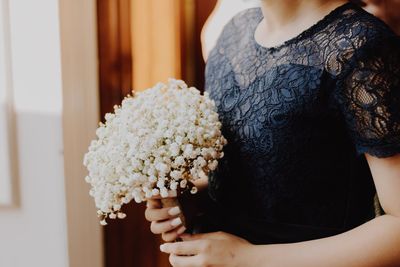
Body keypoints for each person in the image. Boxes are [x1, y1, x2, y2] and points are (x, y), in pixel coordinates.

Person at [145, 1, 400, 266]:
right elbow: (250, 174)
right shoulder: (232, 34)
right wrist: (186, 199)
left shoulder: (359, 46)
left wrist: (245, 258)